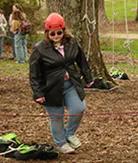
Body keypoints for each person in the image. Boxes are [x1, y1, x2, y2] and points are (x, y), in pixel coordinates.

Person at [29, 13, 94, 154]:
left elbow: (82, 61)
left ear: (64, 30)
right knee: (57, 117)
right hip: (50, 87)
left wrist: (88, 78)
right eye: (52, 34)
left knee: (79, 109)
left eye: (59, 32)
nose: (56, 36)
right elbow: (34, 73)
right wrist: (38, 93)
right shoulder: (40, 48)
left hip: (70, 83)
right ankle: (61, 142)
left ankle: (70, 133)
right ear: (47, 33)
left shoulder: (72, 43)